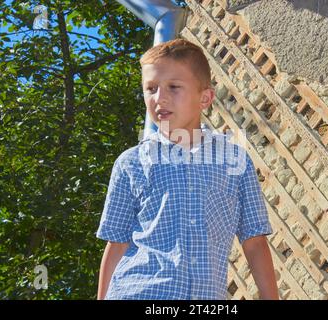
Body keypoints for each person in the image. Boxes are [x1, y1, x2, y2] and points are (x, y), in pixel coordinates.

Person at [96, 39, 279, 300]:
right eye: (150, 89)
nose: (159, 98)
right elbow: (116, 243)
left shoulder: (234, 160)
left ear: (205, 97)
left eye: (173, 87)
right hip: (137, 293)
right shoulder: (131, 163)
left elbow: (254, 240)